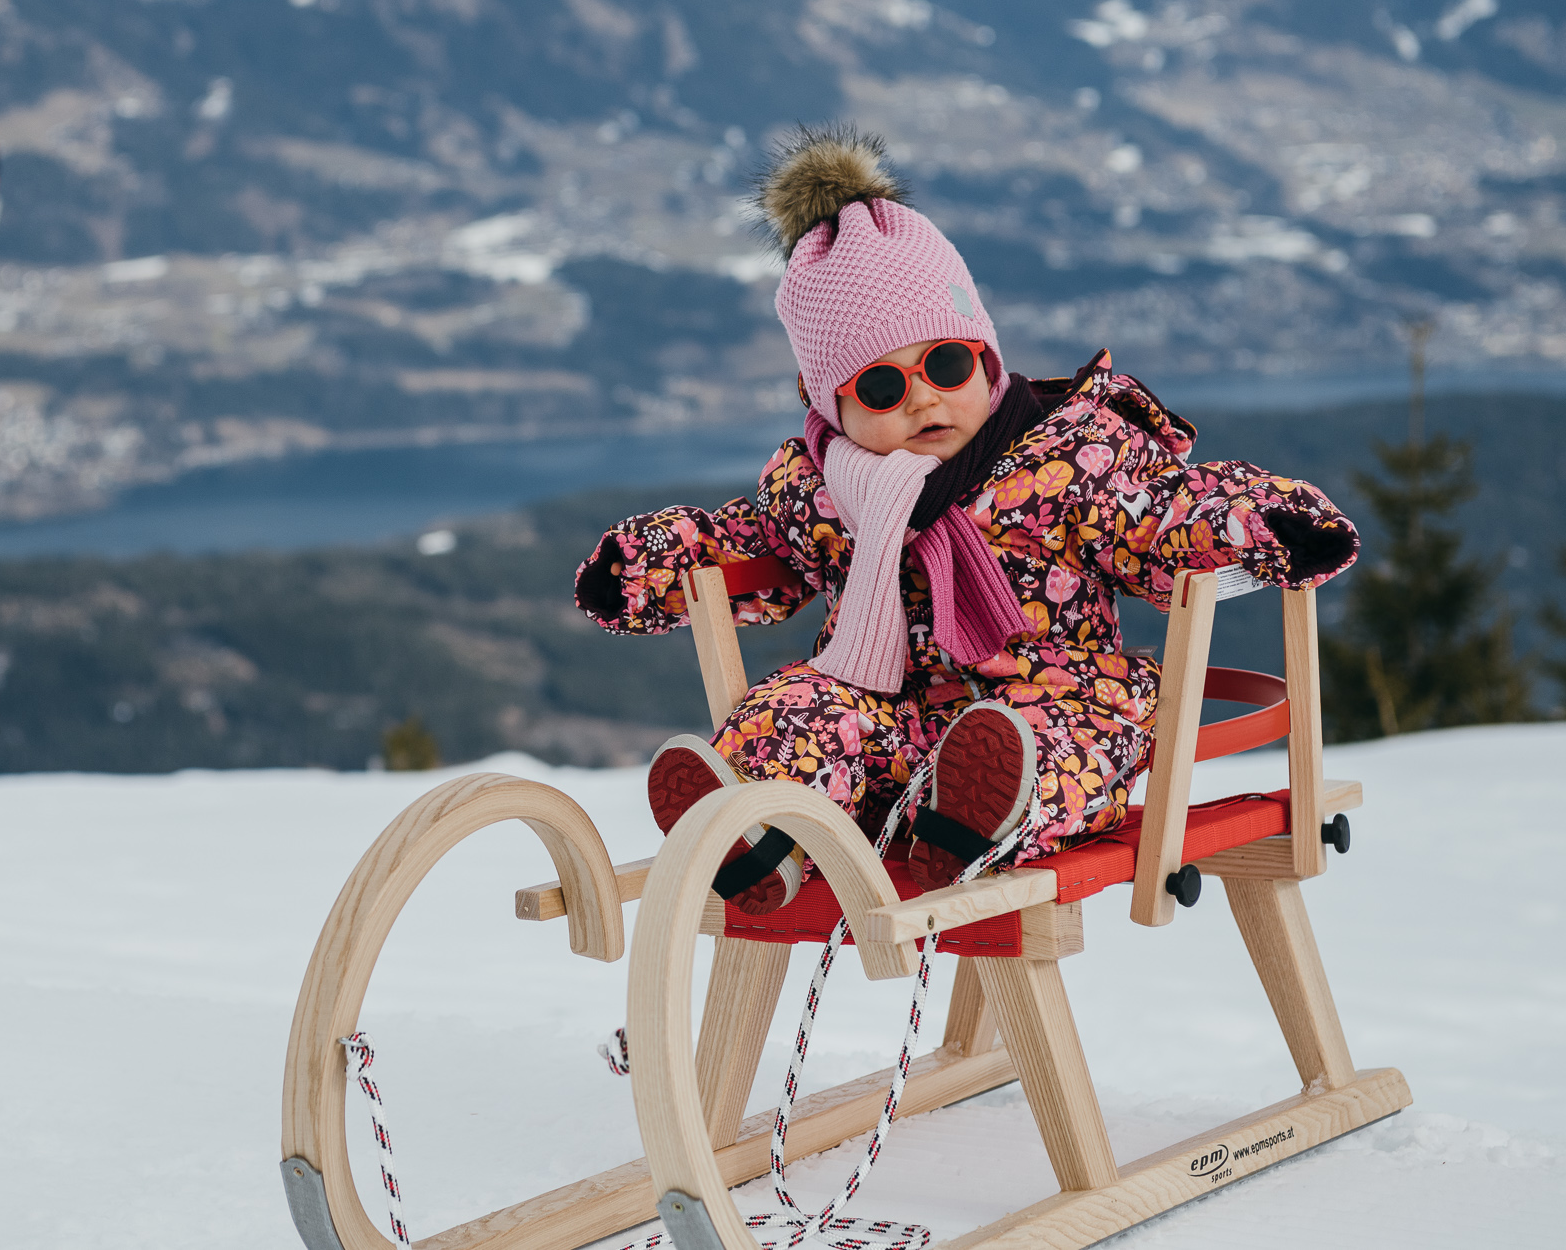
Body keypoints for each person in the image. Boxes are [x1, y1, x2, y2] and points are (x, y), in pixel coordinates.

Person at [574, 128, 1360, 911]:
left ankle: (977, 814)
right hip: (885, 708)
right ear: (833, 407)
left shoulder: (1070, 459)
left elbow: (1161, 517)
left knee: (1068, 747)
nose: (923, 397)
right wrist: (649, 568)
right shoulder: (827, 486)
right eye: (881, 387)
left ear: (984, 358)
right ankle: (750, 834)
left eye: (945, 364)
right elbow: (754, 542)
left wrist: (1265, 522)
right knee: (799, 711)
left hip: (1052, 694)